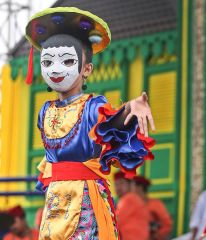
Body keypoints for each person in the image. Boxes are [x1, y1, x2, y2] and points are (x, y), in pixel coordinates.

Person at [26, 7, 155, 239]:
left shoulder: (93, 106)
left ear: (87, 69)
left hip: (84, 198)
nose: (55, 69)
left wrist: (128, 109)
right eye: (47, 62)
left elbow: (110, 124)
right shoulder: (45, 111)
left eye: (66, 61)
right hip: (55, 199)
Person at [132, 176, 173, 240]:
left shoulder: (155, 204)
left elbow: (167, 224)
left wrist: (156, 236)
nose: (131, 190)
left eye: (132, 187)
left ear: (139, 188)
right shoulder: (131, 206)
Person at [114, 172, 150, 240]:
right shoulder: (133, 198)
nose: (118, 187)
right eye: (116, 184)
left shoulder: (129, 199)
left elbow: (115, 221)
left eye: (121, 183)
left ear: (131, 185)